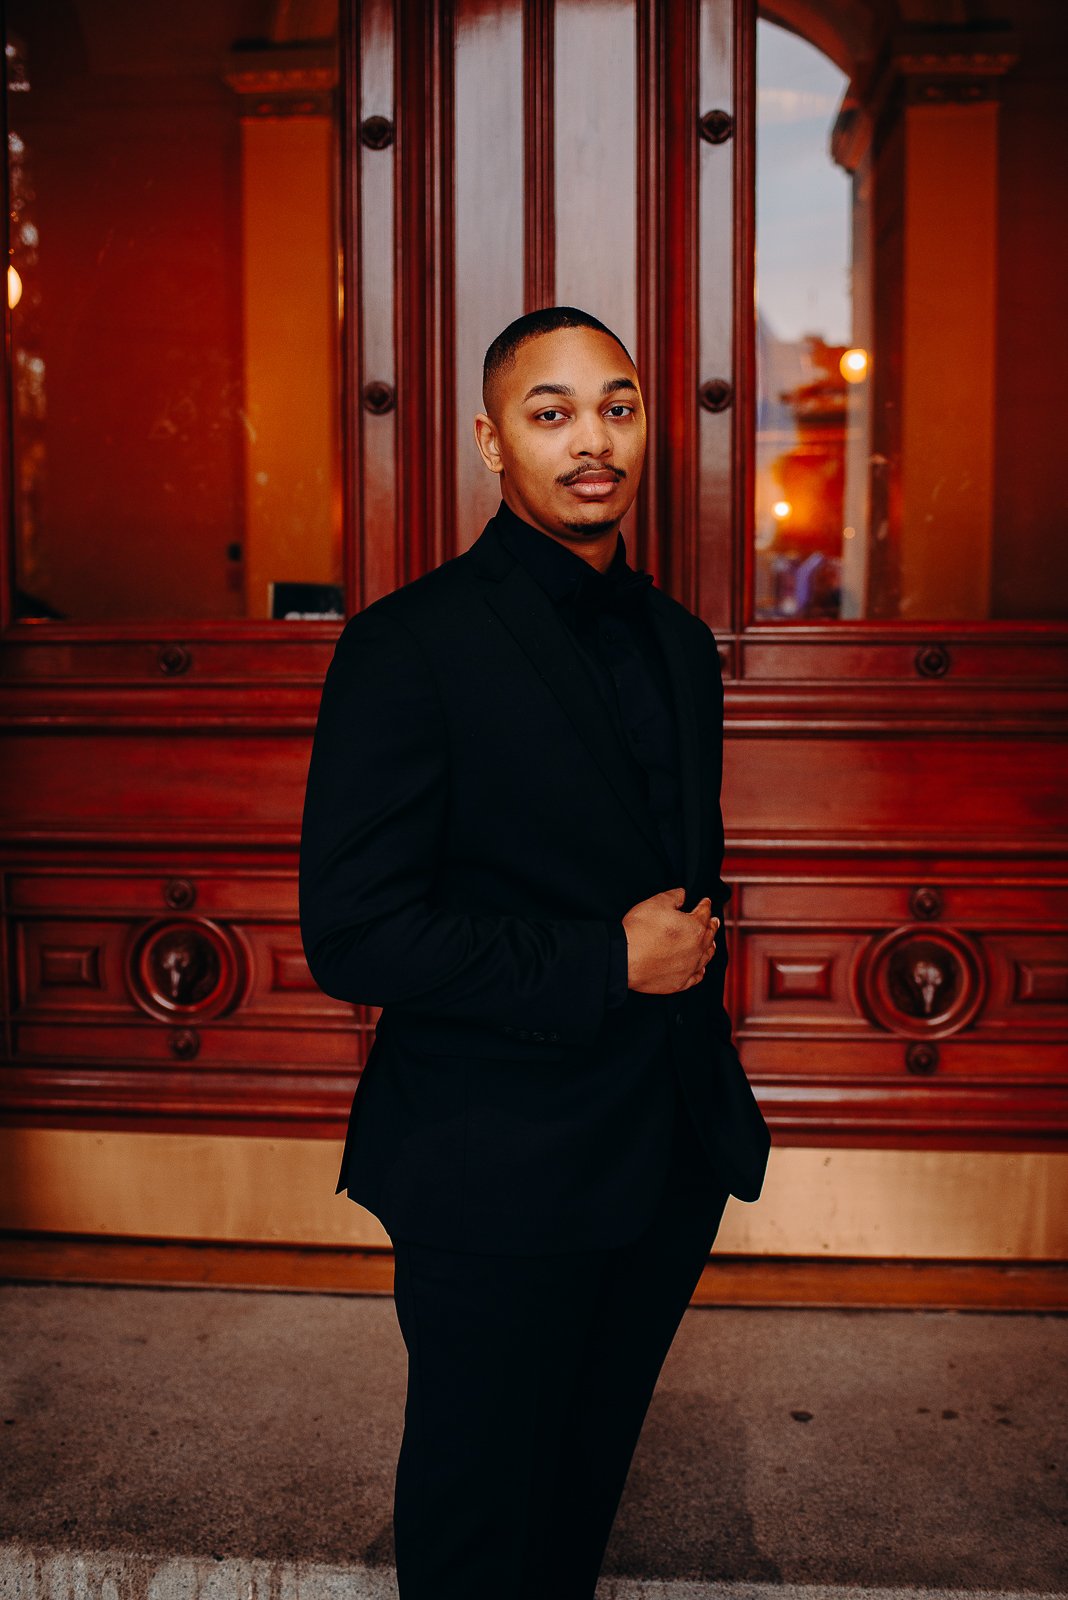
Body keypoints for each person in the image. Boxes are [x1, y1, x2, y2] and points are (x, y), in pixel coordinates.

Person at [299, 305, 770, 1599]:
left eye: (615, 406)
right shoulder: (408, 646)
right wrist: (599, 964)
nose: (591, 440)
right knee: (477, 1539)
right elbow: (353, 932)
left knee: (573, 1517)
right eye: (549, 412)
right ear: (489, 441)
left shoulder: (676, 641)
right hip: (491, 1170)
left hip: (662, 1156)